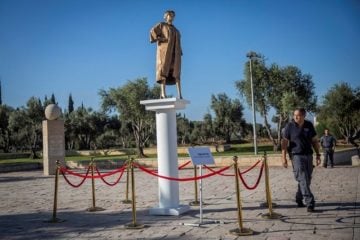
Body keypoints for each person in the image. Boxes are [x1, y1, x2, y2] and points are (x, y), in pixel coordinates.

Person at [281, 108, 321, 212]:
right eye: (294, 115)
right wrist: (283, 158)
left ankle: (299, 198)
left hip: (308, 156)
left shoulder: (309, 125)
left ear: (304, 116)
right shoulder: (289, 126)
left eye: (298, 115)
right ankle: (310, 203)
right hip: (296, 156)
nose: (295, 117)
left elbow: (314, 141)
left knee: (307, 179)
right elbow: (284, 143)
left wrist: (318, 155)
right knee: (302, 177)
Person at [150, 10, 182, 99]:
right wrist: (160, 38)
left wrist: (180, 52)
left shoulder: (176, 30)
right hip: (164, 52)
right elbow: (152, 31)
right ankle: (163, 93)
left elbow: (179, 43)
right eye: (170, 15)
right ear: (166, 16)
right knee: (163, 71)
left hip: (175, 54)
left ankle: (179, 94)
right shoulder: (162, 25)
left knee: (176, 72)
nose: (171, 17)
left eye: (173, 15)